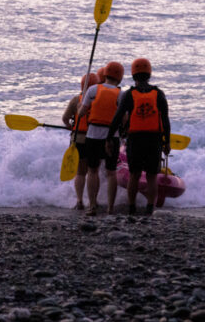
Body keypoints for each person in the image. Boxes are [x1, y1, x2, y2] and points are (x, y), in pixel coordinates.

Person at [106, 58, 170, 216]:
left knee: (134, 175)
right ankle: (150, 208)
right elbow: (165, 120)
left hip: (135, 139)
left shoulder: (129, 95)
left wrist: (109, 137)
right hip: (154, 139)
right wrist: (166, 142)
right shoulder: (158, 94)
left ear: (133, 75)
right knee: (152, 176)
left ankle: (132, 207)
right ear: (149, 74)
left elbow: (117, 117)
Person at [77, 61, 124, 216]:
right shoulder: (121, 94)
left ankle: (92, 206)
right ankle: (110, 208)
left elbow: (82, 113)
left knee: (92, 171)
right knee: (111, 173)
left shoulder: (92, 89)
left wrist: (79, 108)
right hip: (112, 138)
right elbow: (124, 120)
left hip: (93, 136)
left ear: (105, 75)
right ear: (120, 77)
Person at [62, 72, 99, 210]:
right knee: (93, 172)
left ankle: (79, 201)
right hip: (95, 139)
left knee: (80, 172)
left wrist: (71, 127)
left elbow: (65, 119)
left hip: (78, 139)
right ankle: (93, 202)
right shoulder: (100, 100)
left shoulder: (76, 99)